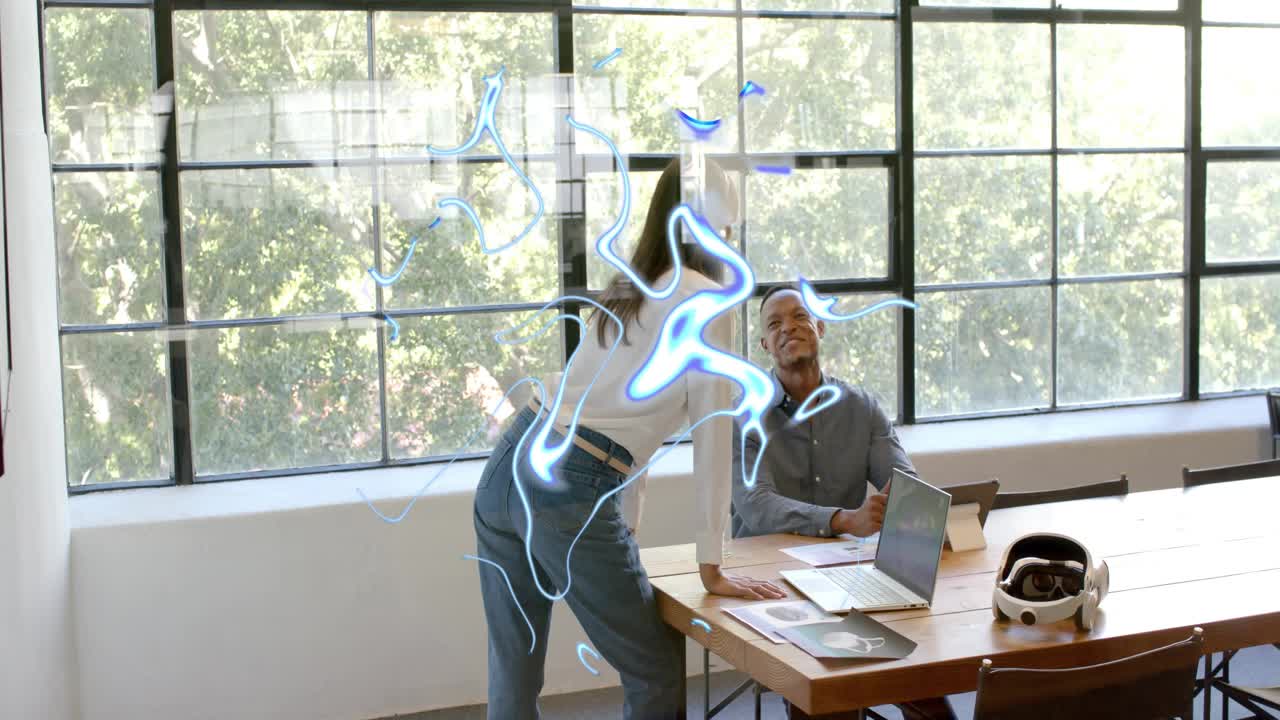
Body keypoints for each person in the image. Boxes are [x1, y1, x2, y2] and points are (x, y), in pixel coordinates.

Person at [473, 158, 785, 720]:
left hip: (510, 464)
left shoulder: (627, 288)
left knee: (514, 668)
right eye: (729, 228)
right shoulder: (707, 302)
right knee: (657, 669)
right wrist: (711, 563)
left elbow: (618, 420)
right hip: (568, 487)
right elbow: (711, 436)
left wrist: (629, 527)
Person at [732, 283, 956, 720]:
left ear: (820, 326)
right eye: (774, 324)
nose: (788, 329)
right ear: (763, 345)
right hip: (767, 579)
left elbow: (903, 481)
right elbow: (755, 506)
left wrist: (908, 506)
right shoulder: (745, 414)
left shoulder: (862, 407)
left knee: (925, 674)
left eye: (799, 317)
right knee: (830, 681)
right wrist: (840, 519)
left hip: (845, 574)